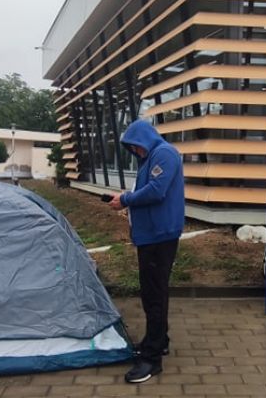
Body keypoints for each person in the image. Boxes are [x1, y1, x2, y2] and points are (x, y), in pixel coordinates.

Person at [108, 119, 184, 384]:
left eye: (136, 146)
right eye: (131, 148)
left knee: (154, 295)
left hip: (159, 236)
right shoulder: (151, 157)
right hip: (152, 235)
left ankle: (152, 359)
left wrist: (125, 200)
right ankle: (158, 341)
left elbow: (156, 190)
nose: (135, 151)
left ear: (144, 139)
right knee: (155, 292)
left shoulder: (164, 153)